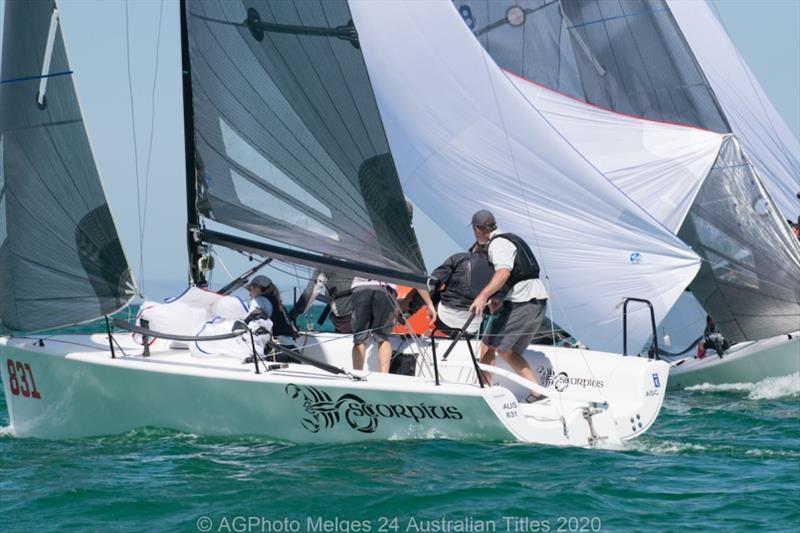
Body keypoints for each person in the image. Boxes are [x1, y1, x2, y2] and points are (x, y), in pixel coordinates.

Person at [467, 210, 548, 402]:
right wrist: (500, 297)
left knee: (489, 344)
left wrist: (483, 295)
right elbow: (521, 275)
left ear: (477, 229)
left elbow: (504, 272)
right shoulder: (511, 239)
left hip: (523, 303)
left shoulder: (498, 244)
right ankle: (536, 392)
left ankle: (484, 390)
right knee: (507, 350)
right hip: (536, 303)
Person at [426, 242, 493, 337]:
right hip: (471, 328)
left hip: (443, 322)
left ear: (475, 248)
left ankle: (406, 313)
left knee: (434, 291)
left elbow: (431, 284)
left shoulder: (460, 258)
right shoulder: (499, 272)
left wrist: (411, 307)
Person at [246, 275, 298, 343]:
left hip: (276, 346)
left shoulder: (259, 301)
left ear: (256, 288)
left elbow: (255, 324)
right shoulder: (278, 302)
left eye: (250, 289)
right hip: (290, 343)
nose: (249, 294)